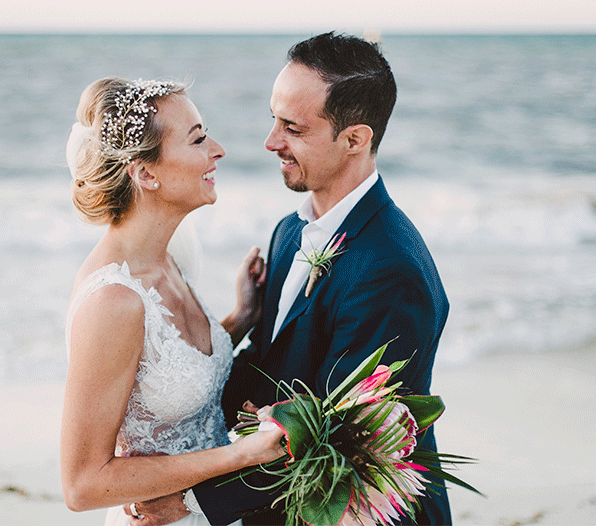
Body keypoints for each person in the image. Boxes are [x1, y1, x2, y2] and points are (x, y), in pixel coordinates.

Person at [133, 32, 454, 525]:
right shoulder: (290, 231)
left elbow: (343, 441)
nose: (271, 142)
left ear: (355, 139)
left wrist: (191, 500)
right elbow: (268, 366)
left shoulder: (391, 273)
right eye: (273, 119)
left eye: (294, 128)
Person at [60, 77, 285, 526]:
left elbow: (164, 367)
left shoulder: (168, 256)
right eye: (198, 139)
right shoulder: (113, 301)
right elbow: (82, 484)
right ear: (146, 174)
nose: (217, 150)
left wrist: (240, 319)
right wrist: (238, 456)